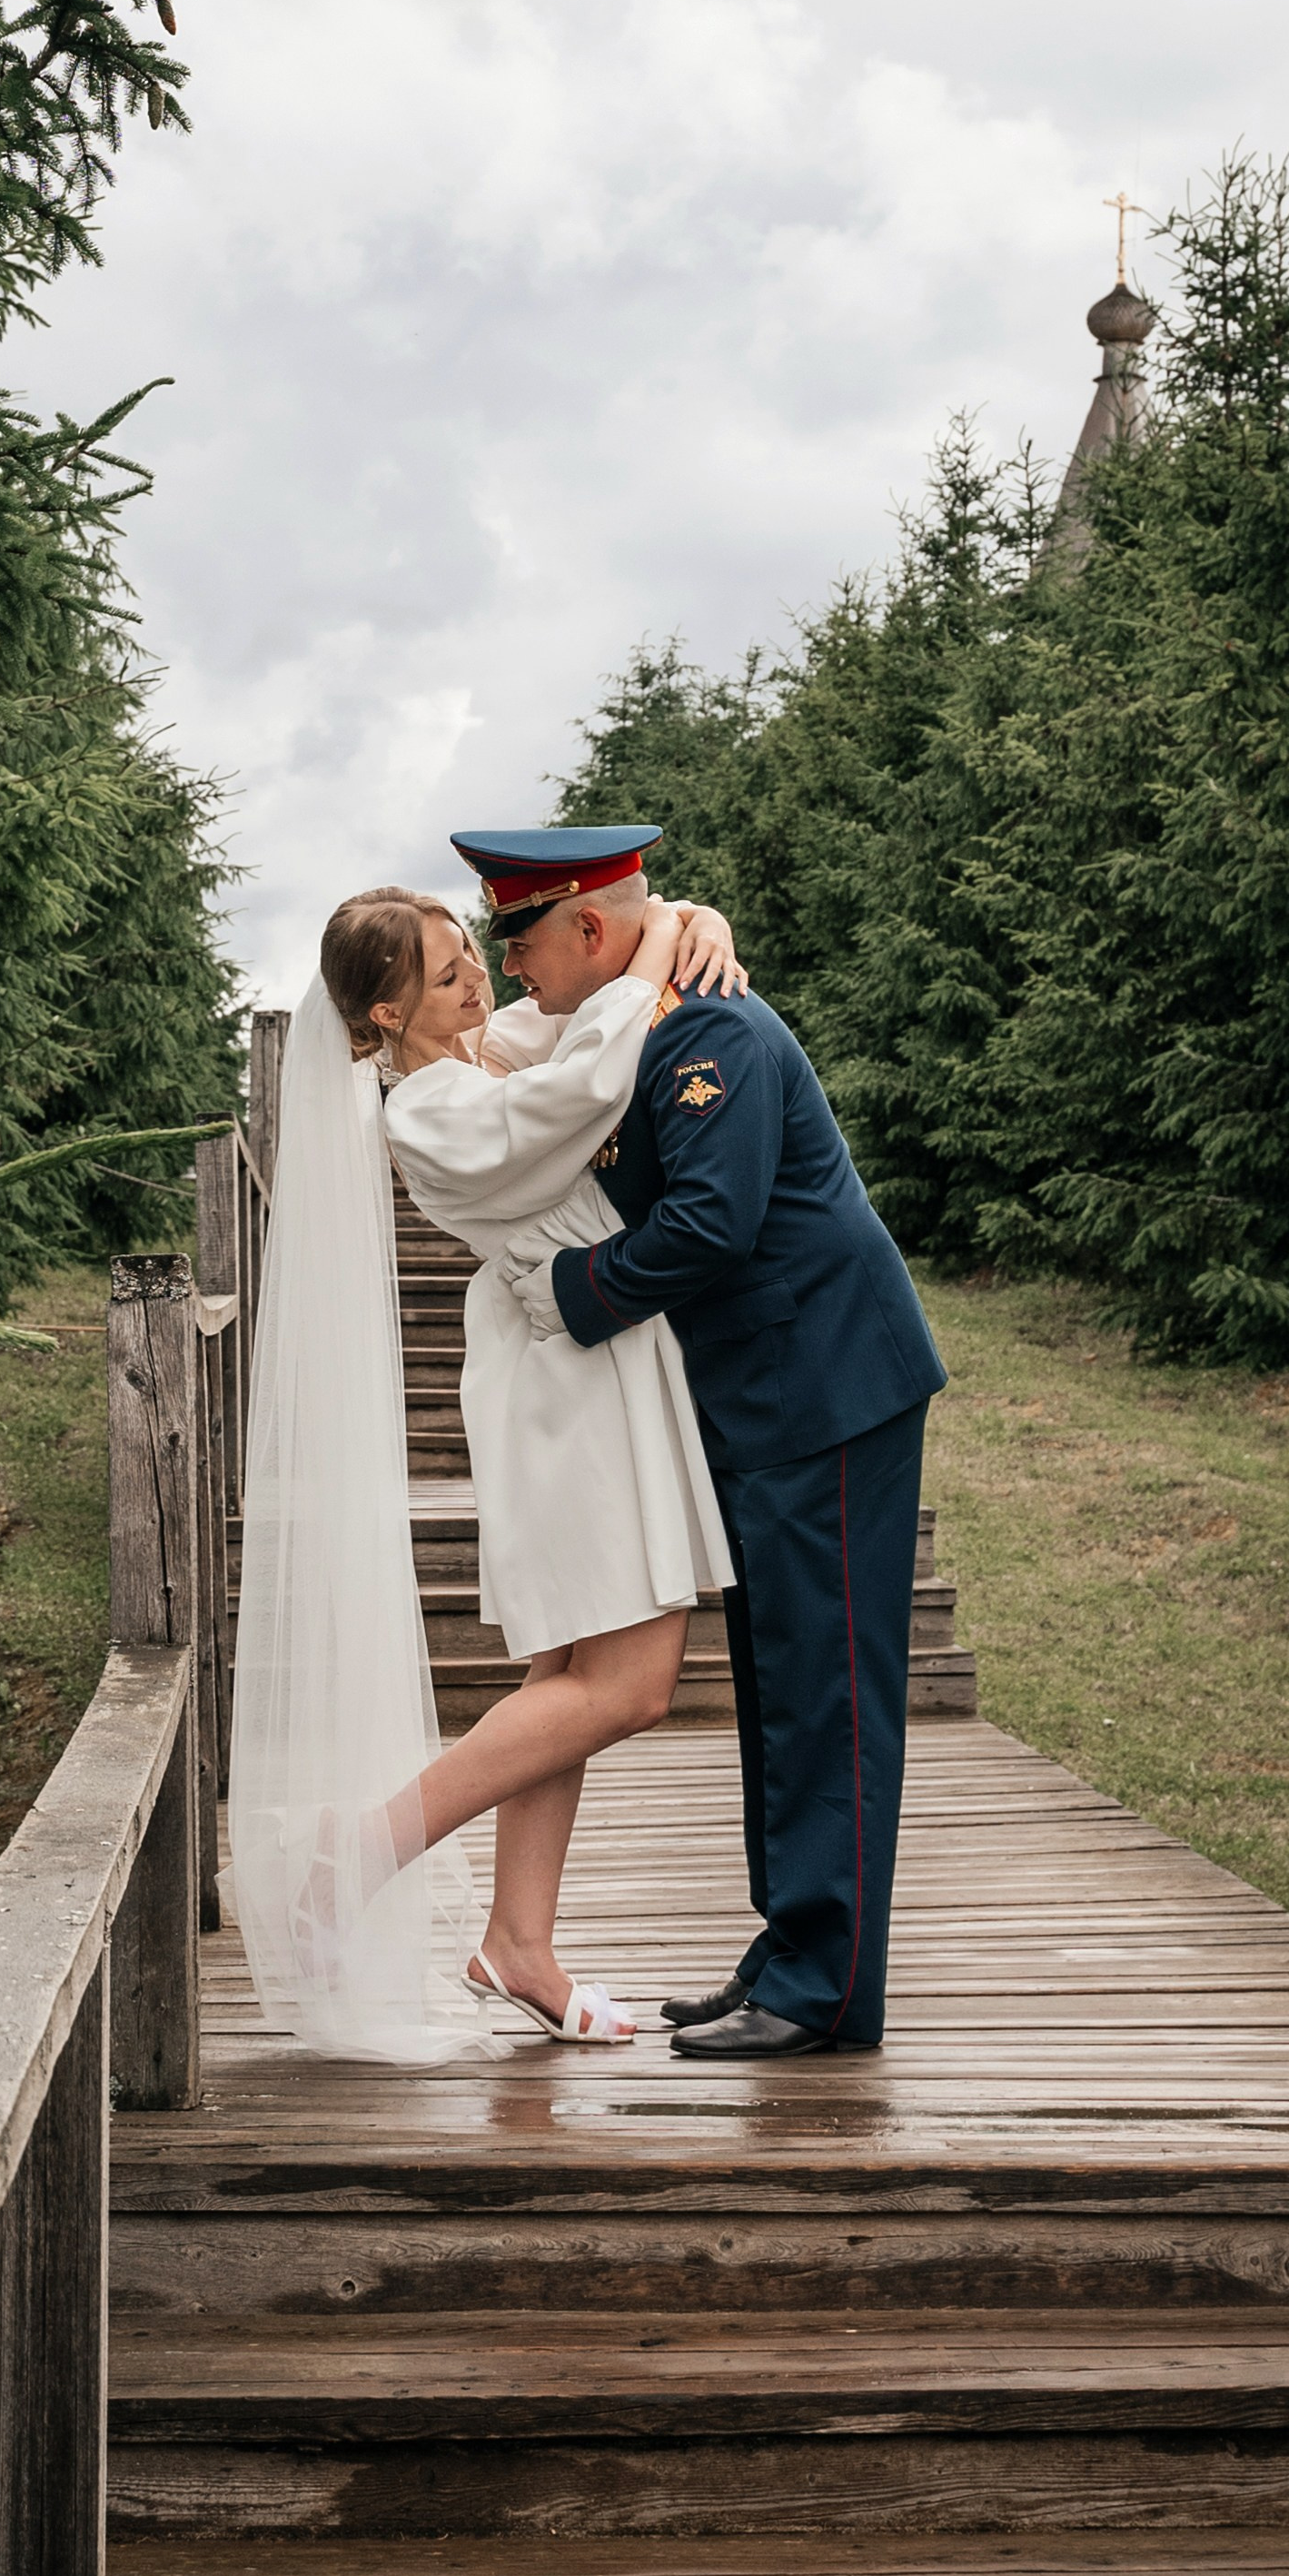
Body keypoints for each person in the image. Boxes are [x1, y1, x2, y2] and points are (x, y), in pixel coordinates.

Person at [226, 837, 742, 2063]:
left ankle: (519, 1941)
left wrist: (684, 914)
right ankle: (354, 1856)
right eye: (452, 974)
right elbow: (591, 1079)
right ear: (385, 1009)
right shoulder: (433, 1110)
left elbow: (573, 1001)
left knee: (565, 1676)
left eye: (474, 959)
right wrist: (662, 943)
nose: (481, 985)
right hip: (560, 1392)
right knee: (626, 1687)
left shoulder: (476, 1056)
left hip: (593, 1370)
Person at [465, 826, 948, 2061]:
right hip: (765, 1395)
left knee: (828, 1691)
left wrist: (568, 1291)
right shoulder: (622, 1024)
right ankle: (793, 1949)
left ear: (587, 930)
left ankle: (825, 1991)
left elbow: (710, 1228)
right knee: (784, 1687)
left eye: (522, 941)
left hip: (824, 1383)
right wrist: (682, 914)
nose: (512, 966)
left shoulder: (709, 1035)